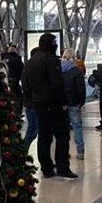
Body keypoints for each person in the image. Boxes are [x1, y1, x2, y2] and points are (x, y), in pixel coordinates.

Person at [23, 33, 76, 179]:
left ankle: (46, 169)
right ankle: (63, 167)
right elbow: (57, 83)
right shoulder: (51, 59)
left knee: (44, 136)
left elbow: (26, 85)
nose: (55, 44)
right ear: (49, 43)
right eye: (54, 42)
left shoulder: (31, 61)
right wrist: (64, 102)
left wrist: (33, 99)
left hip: (38, 104)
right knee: (62, 135)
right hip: (54, 104)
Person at [61, 48, 86, 160]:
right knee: (77, 127)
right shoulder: (76, 71)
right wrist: (81, 102)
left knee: (63, 130)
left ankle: (64, 152)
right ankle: (80, 152)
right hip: (74, 103)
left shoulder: (59, 70)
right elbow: (81, 89)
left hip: (62, 105)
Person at [2, 46, 24, 115]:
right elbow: (22, 70)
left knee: (6, 96)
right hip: (15, 81)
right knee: (19, 97)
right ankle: (17, 113)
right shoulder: (17, 58)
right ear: (15, 51)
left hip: (4, 81)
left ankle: (7, 113)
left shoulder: (3, 58)